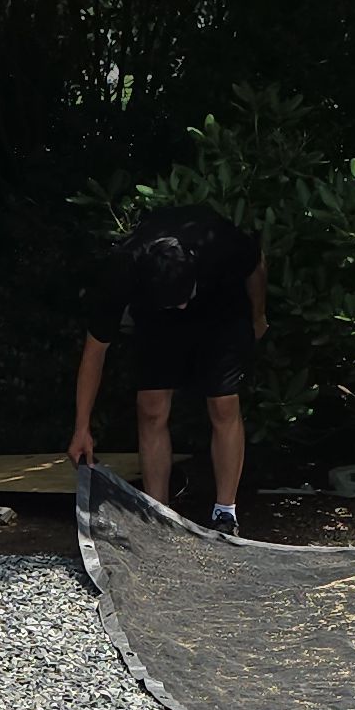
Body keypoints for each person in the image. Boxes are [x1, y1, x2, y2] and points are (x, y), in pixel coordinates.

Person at [69, 202, 266, 533]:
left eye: (184, 297)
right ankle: (158, 512)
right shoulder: (122, 270)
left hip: (221, 308)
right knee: (151, 407)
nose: (183, 306)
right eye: (177, 302)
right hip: (157, 320)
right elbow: (94, 352)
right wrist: (81, 427)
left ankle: (225, 512)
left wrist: (259, 316)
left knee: (223, 402)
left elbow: (255, 264)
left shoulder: (216, 242)